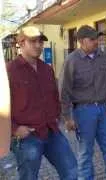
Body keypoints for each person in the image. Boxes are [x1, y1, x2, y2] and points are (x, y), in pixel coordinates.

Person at [6, 26, 77, 180]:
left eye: (40, 42)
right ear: (21, 43)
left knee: (71, 171)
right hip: (27, 137)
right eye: (33, 41)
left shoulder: (47, 69)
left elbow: (53, 96)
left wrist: (57, 116)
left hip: (51, 131)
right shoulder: (9, 71)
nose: (38, 45)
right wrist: (14, 129)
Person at [59, 25, 106, 180]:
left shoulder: (103, 58)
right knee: (85, 153)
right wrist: (67, 117)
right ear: (81, 41)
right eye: (92, 39)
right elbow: (64, 91)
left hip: (104, 110)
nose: (96, 42)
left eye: (97, 39)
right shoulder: (71, 61)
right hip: (83, 112)